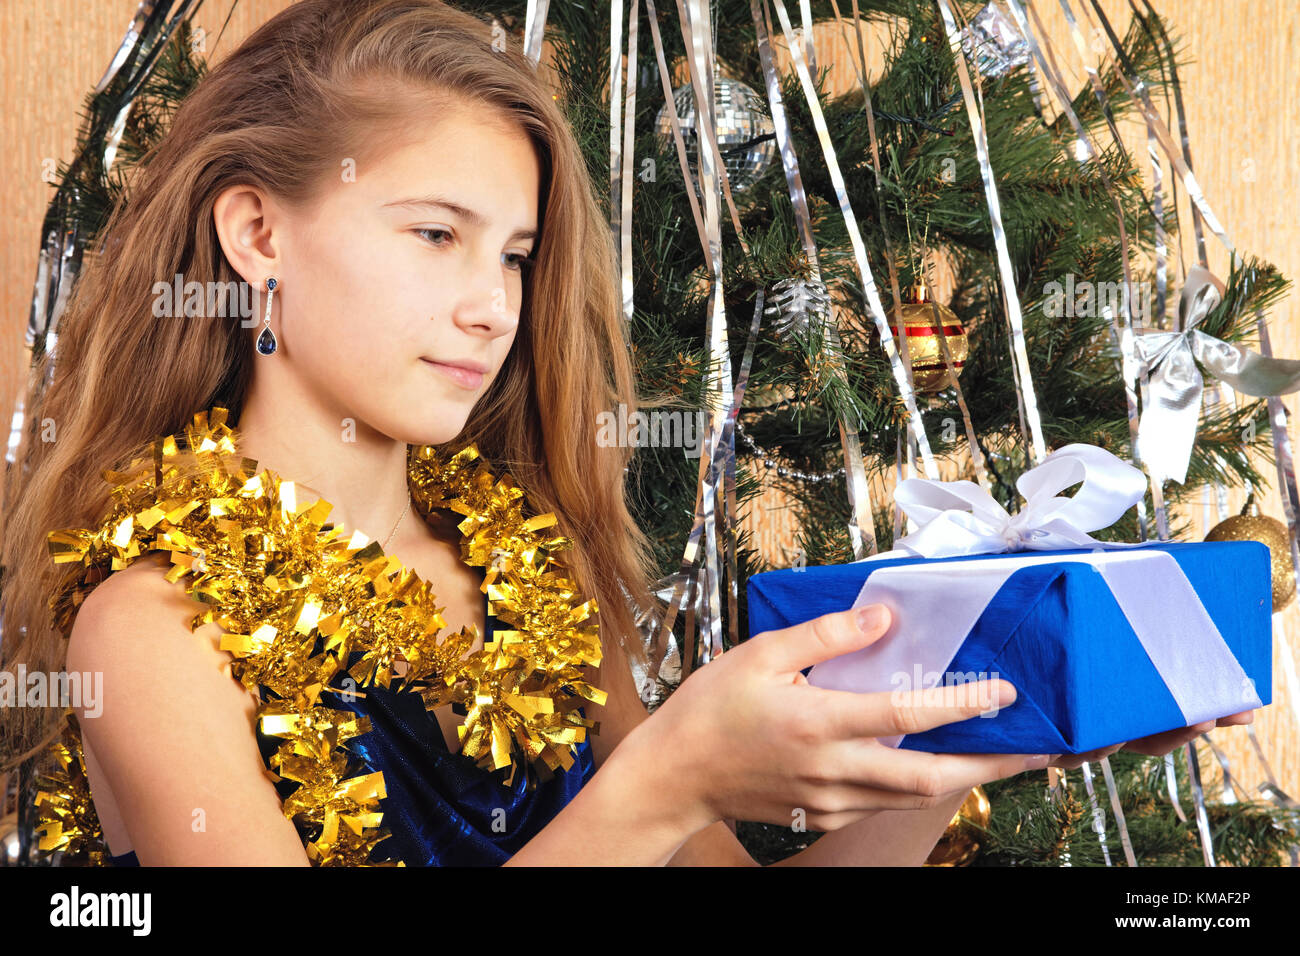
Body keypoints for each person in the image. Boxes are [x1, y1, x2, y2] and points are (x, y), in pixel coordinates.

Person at [0, 0, 1251, 867]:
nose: (492, 303)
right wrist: (668, 780)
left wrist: (976, 735)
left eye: (516, 252)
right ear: (257, 236)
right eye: (433, 233)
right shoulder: (152, 628)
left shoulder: (532, 571)